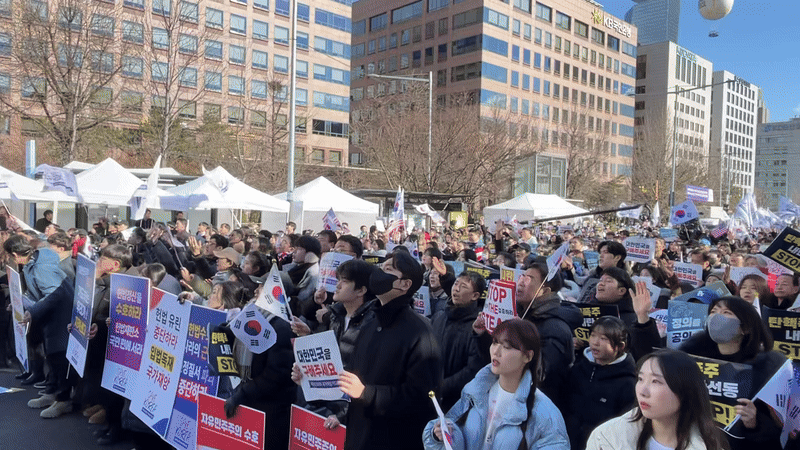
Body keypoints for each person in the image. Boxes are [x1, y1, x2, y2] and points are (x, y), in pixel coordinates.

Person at [340, 250, 442, 450]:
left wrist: (367, 393)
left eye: (389, 269)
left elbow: (423, 398)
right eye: (380, 268)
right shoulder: (369, 323)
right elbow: (352, 378)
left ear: (405, 284)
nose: (379, 273)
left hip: (394, 440)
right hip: (358, 436)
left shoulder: (420, 332)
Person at [422, 318, 569, 450]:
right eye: (494, 342)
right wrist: (440, 435)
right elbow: (453, 427)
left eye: (506, 347)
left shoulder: (544, 413)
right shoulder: (476, 391)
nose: (496, 351)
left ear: (528, 356)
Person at [678, 296, 787, 450]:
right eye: (714, 311)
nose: (716, 317)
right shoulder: (690, 357)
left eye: (726, 312)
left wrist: (755, 423)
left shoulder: (766, 370)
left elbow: (782, 428)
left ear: (745, 328)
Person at [475, 261, 579, 407]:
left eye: (529, 279)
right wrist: (484, 335)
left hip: (533, 407)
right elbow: (495, 360)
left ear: (545, 291)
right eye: (522, 276)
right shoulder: (518, 315)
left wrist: (521, 336)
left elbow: (541, 374)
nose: (521, 283)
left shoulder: (556, 328)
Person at [586, 349, 729, 450]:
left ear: (685, 390)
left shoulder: (707, 445)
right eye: (641, 379)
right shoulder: (607, 438)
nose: (643, 391)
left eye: (656, 382)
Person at [564, 316, 637, 449]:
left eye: (603, 339)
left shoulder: (628, 382)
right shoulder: (578, 368)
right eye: (593, 335)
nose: (595, 342)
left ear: (620, 346)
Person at [431, 271, 487, 411]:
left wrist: (442, 386)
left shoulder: (478, 327)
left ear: (475, 296)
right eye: (456, 283)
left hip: (458, 404)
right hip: (431, 396)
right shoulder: (439, 317)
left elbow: (473, 369)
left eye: (463, 286)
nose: (456, 289)